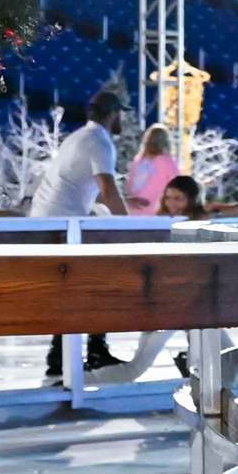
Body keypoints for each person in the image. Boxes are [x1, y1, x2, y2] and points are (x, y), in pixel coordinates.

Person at [28, 90, 126, 378]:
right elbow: (107, 189)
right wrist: (130, 229)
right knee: (91, 283)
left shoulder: (80, 137)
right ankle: (85, 351)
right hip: (59, 227)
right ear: (115, 114)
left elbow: (84, 190)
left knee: (77, 287)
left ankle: (67, 354)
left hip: (50, 223)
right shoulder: (99, 141)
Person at [127, 124, 182, 214]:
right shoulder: (166, 161)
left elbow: (129, 186)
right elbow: (179, 186)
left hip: (134, 211)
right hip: (157, 213)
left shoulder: (137, 161)